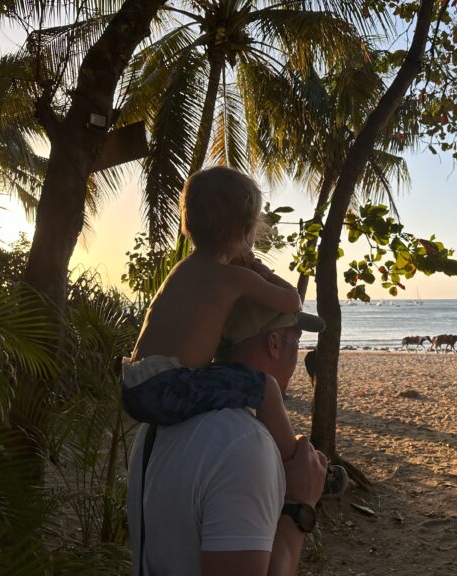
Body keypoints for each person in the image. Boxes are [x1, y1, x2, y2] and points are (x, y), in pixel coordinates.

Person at [127, 299, 328, 576]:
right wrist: (298, 507)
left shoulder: (156, 425)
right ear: (274, 344)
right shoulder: (245, 443)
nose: (297, 354)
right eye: (296, 341)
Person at [123, 167, 301, 461]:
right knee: (265, 387)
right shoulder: (234, 277)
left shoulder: (181, 270)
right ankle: (292, 461)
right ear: (246, 230)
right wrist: (256, 266)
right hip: (168, 389)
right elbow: (291, 301)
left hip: (135, 384)